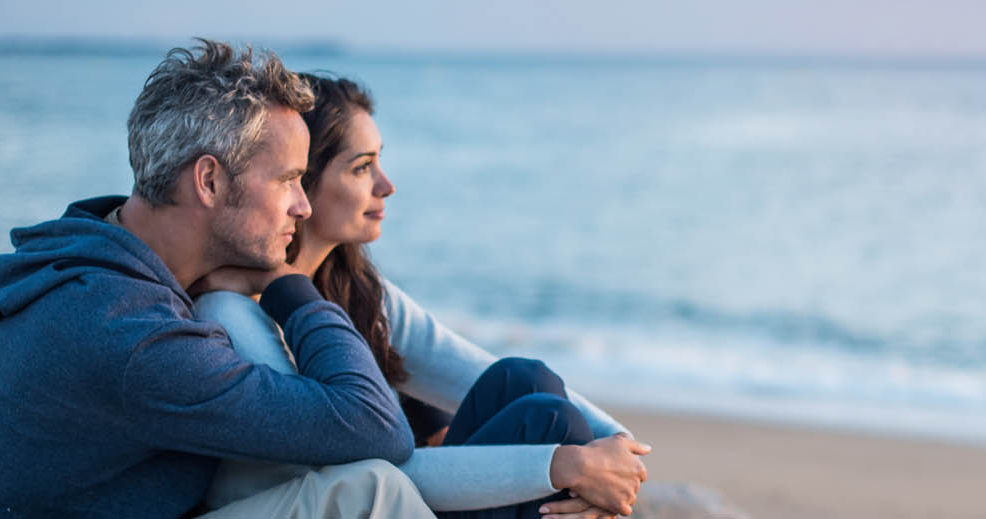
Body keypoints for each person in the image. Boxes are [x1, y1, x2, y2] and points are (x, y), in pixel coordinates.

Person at [0, 40, 433, 518]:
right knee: (370, 494)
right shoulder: (130, 336)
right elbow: (374, 425)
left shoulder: (99, 252)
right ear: (209, 181)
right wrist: (291, 287)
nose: (302, 207)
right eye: (287, 180)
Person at [193, 73, 650, 519]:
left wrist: (618, 451)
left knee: (523, 380)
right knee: (547, 424)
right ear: (302, 183)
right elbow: (367, 473)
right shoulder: (231, 311)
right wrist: (564, 466)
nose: (386, 186)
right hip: (348, 502)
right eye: (361, 167)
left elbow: (469, 368)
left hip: (384, 489)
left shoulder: (356, 287)